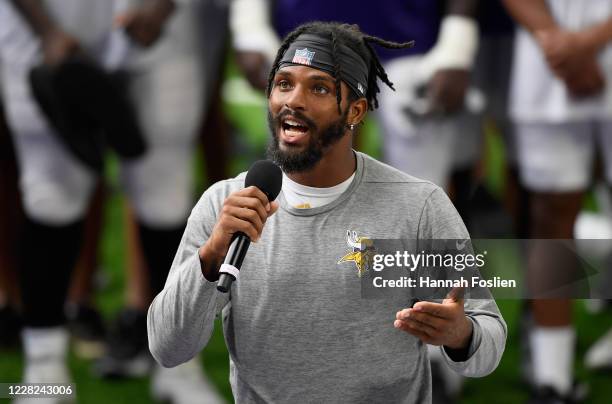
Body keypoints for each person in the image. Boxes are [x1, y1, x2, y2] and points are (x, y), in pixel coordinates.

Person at [148, 22, 507, 403]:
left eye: (318, 88)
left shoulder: (416, 207)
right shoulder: (226, 207)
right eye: (284, 84)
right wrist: (211, 254)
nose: (293, 100)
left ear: (355, 110)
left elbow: (489, 344)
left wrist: (460, 336)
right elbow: (168, 348)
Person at [0, 1, 222, 402]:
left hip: (161, 23)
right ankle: (44, 369)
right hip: (46, 19)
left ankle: (178, 366)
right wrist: (46, 29)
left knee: (166, 198)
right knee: (51, 196)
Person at [502, 0, 612, 402]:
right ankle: (553, 380)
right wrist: (558, 41)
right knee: (550, 221)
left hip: (564, 51)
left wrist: (588, 41)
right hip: (548, 60)